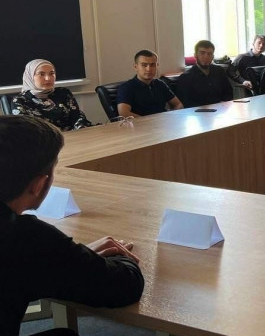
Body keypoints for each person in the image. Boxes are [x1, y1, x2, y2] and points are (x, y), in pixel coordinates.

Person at [0, 115, 144, 336]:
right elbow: (125, 286)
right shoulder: (25, 237)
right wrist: (115, 257)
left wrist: (74, 257)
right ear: (39, 184)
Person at [12, 59, 93, 131]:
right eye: (41, 74)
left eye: (51, 73)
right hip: (44, 140)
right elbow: (26, 131)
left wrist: (80, 132)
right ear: (30, 77)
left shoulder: (63, 93)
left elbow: (77, 117)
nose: (48, 78)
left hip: (73, 137)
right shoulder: (20, 100)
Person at [117, 50, 183, 117]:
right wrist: (149, 121)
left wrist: (171, 116)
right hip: (141, 123)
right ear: (136, 67)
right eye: (144, 65)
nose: (148, 69)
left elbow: (178, 104)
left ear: (157, 66)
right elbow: (124, 113)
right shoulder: (126, 88)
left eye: (152, 65)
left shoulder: (160, 84)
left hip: (163, 121)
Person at [176, 40, 233, 108]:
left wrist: (223, 104)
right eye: (202, 53)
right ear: (195, 55)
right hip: (198, 112)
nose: (206, 57)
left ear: (213, 56)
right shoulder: (186, 77)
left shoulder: (219, 71)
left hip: (221, 109)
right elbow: (185, 103)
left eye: (209, 54)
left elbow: (229, 93)